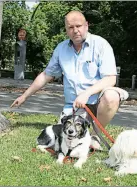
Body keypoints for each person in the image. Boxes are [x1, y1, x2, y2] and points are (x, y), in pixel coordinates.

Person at [11, 10, 129, 150]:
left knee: (111, 96)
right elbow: (46, 75)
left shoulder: (101, 45)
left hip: (98, 103)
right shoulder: (61, 49)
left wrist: (87, 93)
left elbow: (110, 78)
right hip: (75, 106)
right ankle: (84, 134)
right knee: (67, 140)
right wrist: (24, 96)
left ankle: (95, 136)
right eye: (70, 27)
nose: (75, 30)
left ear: (86, 25)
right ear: (66, 30)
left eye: (78, 26)